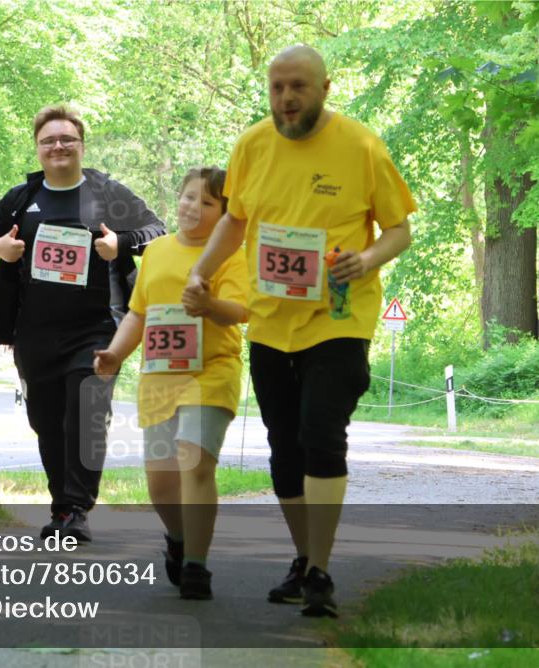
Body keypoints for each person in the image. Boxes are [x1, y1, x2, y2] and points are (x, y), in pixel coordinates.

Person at [185, 45, 415, 617]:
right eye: (277, 87)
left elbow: (399, 230)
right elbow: (235, 221)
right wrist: (200, 272)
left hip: (339, 316)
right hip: (269, 320)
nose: (286, 99)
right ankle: (305, 556)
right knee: (284, 446)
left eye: (298, 87)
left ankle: (320, 572)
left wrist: (367, 259)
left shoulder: (361, 146)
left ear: (325, 88)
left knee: (321, 432)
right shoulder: (251, 145)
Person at [0, 105, 165, 541]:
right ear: (38, 148)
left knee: (87, 413)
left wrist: (121, 243)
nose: (57, 146)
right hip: (35, 332)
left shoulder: (107, 193)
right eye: (49, 141)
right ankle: (61, 508)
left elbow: (157, 230)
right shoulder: (22, 199)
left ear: (81, 145)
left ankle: (77, 508)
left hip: (97, 328)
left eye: (66, 139)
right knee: (47, 420)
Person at [94, 168, 247, 599]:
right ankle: (179, 539)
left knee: (195, 464)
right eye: (187, 196)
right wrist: (115, 354)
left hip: (212, 372)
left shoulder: (233, 255)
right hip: (160, 378)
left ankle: (196, 564)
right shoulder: (157, 251)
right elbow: (138, 314)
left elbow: (241, 310)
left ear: (225, 216)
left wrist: (210, 304)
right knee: (161, 484)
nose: (192, 206)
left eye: (206, 202)